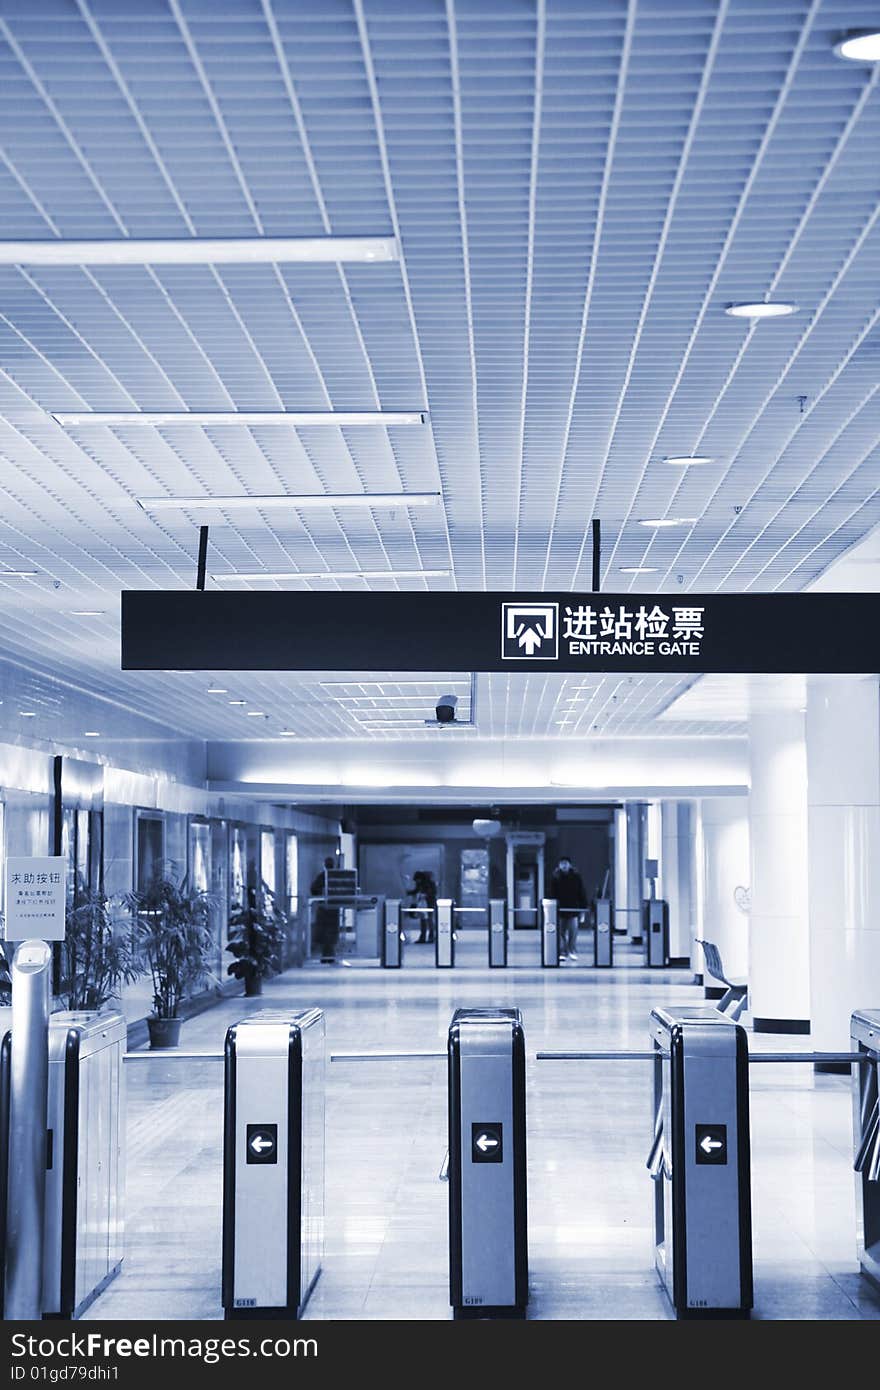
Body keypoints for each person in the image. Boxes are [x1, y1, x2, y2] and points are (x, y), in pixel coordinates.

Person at [550, 855, 587, 962]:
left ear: (570, 865)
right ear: (559, 865)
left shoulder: (576, 876)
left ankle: (572, 950)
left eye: (566, 863)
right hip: (560, 909)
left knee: (573, 932)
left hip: (573, 909)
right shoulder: (555, 877)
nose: (564, 865)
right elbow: (552, 893)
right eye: (562, 863)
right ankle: (563, 951)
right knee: (561, 932)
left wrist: (583, 909)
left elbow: (581, 892)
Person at [311, 856, 341, 964]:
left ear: (324, 865)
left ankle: (325, 956)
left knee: (324, 931)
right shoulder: (337, 876)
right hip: (334, 908)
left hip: (324, 908)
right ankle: (331, 955)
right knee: (332, 932)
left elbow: (313, 889)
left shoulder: (321, 876)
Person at [408, 869, 438, 943]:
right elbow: (416, 890)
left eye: (417, 880)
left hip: (428, 903)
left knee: (428, 920)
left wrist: (425, 895)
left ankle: (430, 936)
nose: (417, 882)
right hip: (423, 903)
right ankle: (424, 937)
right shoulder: (422, 884)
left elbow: (433, 892)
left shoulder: (430, 883)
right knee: (424, 920)